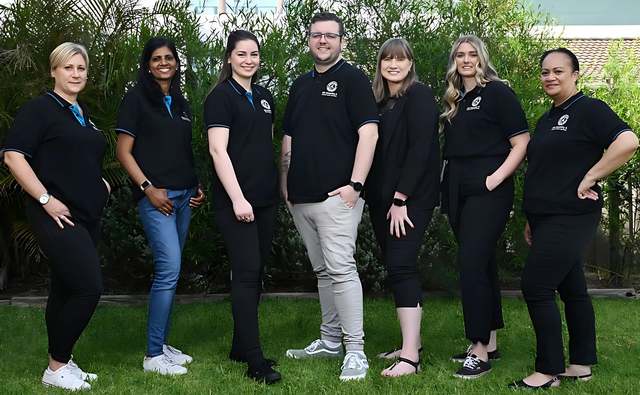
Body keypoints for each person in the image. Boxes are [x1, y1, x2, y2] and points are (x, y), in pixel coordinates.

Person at [509, 48, 638, 389]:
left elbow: (628, 141)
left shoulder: (589, 109)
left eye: (558, 71)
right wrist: (530, 219)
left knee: (535, 286)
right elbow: (544, 170)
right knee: (573, 290)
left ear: (575, 74)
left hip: (570, 215)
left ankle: (547, 370)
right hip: (544, 217)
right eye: (545, 72)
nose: (550, 77)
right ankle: (580, 364)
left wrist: (591, 176)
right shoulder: (547, 117)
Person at [280, 12, 379, 381]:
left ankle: (355, 350)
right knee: (323, 272)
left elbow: (369, 134)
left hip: (338, 196)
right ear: (309, 40)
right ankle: (329, 339)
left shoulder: (353, 80)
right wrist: (284, 183)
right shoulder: (299, 85)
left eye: (330, 36)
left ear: (341, 41)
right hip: (301, 198)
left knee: (341, 270)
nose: (323, 41)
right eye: (317, 35)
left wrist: (355, 185)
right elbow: (288, 137)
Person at [4, 42, 109, 391]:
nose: (75, 74)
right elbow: (14, 157)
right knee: (89, 286)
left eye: (81, 68)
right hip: (56, 214)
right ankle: (56, 366)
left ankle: (63, 360)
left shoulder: (82, 112)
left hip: (87, 214)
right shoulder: (39, 110)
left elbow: (81, 158)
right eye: (68, 68)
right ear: (54, 71)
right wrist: (46, 199)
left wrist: (103, 185)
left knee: (65, 288)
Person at [440, 34, 530, 378]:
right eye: (460, 55)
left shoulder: (497, 92)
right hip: (457, 186)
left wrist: (494, 180)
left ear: (481, 58)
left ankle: (478, 350)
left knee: (470, 262)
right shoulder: (455, 99)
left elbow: (521, 143)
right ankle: (489, 341)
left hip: (487, 186)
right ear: (454, 60)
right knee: (483, 262)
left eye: (472, 54)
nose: (466, 59)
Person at [115, 37, 205, 375]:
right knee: (167, 268)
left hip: (184, 196)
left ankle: (163, 344)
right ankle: (153, 356)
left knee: (173, 269)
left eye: (169, 58)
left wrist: (196, 184)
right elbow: (124, 152)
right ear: (147, 64)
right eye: (156, 58)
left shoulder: (180, 103)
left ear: (176, 64)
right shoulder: (136, 99)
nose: (163, 63)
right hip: (158, 199)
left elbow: (180, 151)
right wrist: (148, 189)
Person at [204, 30, 281, 384]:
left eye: (254, 54)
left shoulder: (264, 97)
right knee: (247, 274)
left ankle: (239, 345)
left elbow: (265, 146)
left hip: (266, 199)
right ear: (229, 58)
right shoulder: (220, 97)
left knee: (255, 274)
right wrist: (237, 198)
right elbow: (218, 151)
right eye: (241, 54)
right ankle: (254, 360)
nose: (248, 60)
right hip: (236, 200)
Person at [366, 38, 439, 377]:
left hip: (408, 200)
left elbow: (419, 150)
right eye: (386, 60)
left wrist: (401, 199)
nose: (393, 65)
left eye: (400, 59)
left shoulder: (419, 96)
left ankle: (410, 357)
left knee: (401, 265)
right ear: (380, 65)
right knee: (397, 267)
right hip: (382, 200)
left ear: (411, 64)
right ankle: (413, 342)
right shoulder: (381, 102)